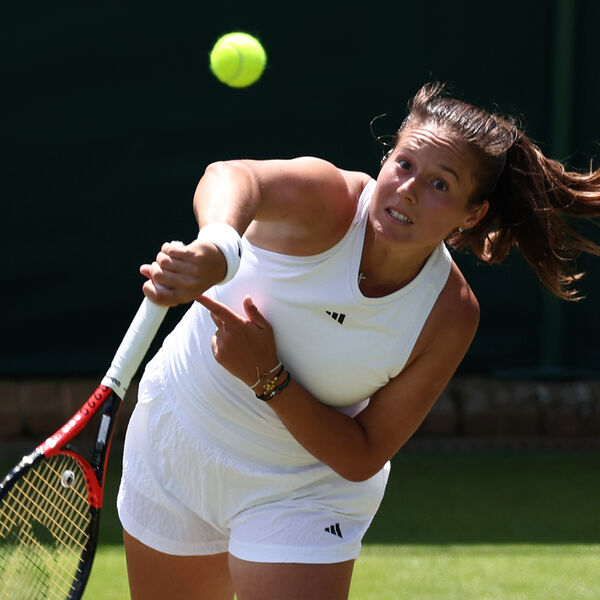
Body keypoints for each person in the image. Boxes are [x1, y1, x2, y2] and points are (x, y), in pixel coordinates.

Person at [117, 82, 600, 600]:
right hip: (179, 436)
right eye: (404, 163)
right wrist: (219, 247)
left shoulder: (449, 314)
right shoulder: (328, 200)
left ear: (472, 213)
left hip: (303, 490)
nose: (408, 189)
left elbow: (362, 453)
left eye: (440, 184)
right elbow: (232, 176)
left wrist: (267, 376)